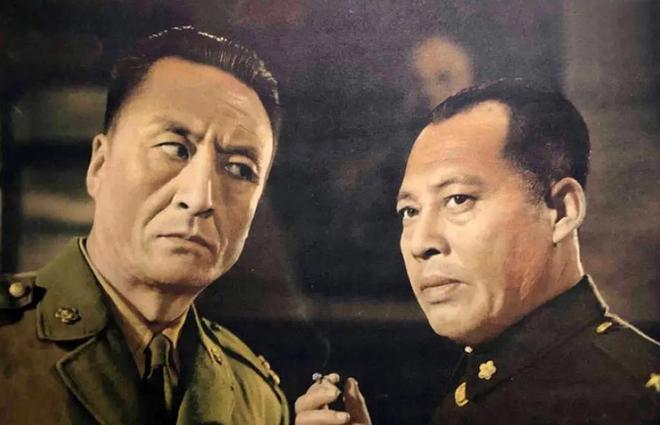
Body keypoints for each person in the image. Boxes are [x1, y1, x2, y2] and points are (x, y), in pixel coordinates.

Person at [294, 79, 659, 425]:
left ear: (561, 211)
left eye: (458, 199)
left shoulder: (631, 399)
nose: (421, 243)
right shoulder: (487, 378)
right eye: (409, 211)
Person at [0, 26, 288, 425]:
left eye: (239, 169)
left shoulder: (256, 400)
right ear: (100, 165)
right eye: (175, 149)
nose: (200, 198)